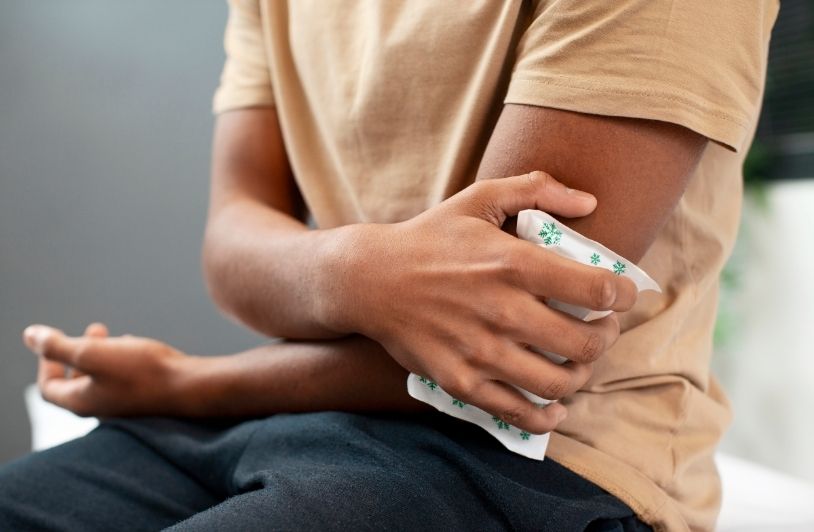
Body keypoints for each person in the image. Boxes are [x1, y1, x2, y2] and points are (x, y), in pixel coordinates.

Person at [0, 1, 778, 530]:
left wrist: (191, 384)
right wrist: (366, 270)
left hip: (547, 468)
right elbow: (230, 247)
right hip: (290, 421)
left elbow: (508, 346)